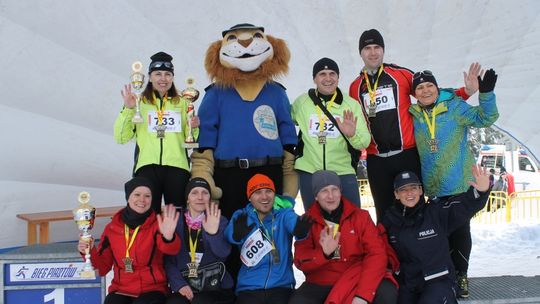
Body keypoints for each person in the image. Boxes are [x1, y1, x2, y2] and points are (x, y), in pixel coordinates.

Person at [348, 29, 481, 222]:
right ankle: (388, 252)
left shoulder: (400, 74)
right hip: (377, 160)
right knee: (384, 214)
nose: (373, 52)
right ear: (360, 53)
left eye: (377, 47)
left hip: (406, 155)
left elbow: (430, 93)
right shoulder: (355, 86)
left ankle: (420, 250)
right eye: (367, 48)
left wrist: (465, 92)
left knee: (415, 209)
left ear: (383, 50)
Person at [409, 68, 498, 298]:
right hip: (434, 187)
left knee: (460, 231)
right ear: (414, 94)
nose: (425, 90)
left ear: (437, 88)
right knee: (439, 235)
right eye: (420, 87)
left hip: (459, 183)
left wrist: (485, 94)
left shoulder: (454, 107)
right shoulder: (414, 114)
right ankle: (445, 275)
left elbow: (485, 118)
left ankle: (461, 275)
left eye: (429, 85)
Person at [382, 165, 491, 303]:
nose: (409, 193)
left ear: (421, 190)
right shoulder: (390, 221)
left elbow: (462, 206)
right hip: (410, 284)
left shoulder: (436, 213)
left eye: (413, 188)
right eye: (403, 189)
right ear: (396, 194)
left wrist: (480, 191)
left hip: (439, 281)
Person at [291, 170, 397, 304]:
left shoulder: (360, 217)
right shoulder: (307, 222)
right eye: (324, 191)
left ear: (340, 191)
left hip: (355, 276)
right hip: (322, 281)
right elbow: (301, 263)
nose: (331, 196)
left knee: (387, 292)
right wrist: (323, 254)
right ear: (316, 196)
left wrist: (363, 296)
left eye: (334, 189)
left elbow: (377, 254)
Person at [114, 51, 199, 213]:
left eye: (168, 74)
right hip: (147, 167)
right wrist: (128, 109)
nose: (163, 79)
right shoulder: (139, 102)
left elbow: (192, 140)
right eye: (158, 74)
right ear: (150, 77)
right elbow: (121, 137)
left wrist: (194, 127)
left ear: (172, 77)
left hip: (177, 167)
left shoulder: (182, 102)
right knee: (147, 212)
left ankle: (176, 239)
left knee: (176, 214)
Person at [77, 176, 180, 304]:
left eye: (147, 196)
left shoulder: (158, 224)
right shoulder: (112, 228)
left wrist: (168, 237)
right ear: (128, 197)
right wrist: (88, 251)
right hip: (121, 290)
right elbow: (102, 268)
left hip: (153, 289)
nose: (142, 200)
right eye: (137, 194)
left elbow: (172, 250)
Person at [292, 57, 370, 210]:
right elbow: (287, 121)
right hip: (310, 172)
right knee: (314, 223)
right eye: (322, 74)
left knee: (352, 220)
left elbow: (364, 142)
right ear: (314, 78)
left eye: (332, 73)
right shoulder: (301, 103)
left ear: (338, 77)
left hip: (342, 171)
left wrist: (352, 134)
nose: (328, 78)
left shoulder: (351, 105)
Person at [224, 174, 310, 304]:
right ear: (250, 197)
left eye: (268, 191)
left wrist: (300, 229)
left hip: (281, 286)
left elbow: (295, 225)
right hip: (249, 287)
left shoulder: (284, 214)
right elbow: (229, 236)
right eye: (258, 192)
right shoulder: (242, 215)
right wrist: (235, 235)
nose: (264, 197)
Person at [165, 177, 234, 304]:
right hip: (185, 282)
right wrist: (179, 284)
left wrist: (213, 234)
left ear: (209, 198)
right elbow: (168, 261)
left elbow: (224, 255)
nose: (200, 197)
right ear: (187, 198)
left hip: (214, 285)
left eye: (205, 193)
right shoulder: (174, 221)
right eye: (194, 193)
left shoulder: (219, 219)